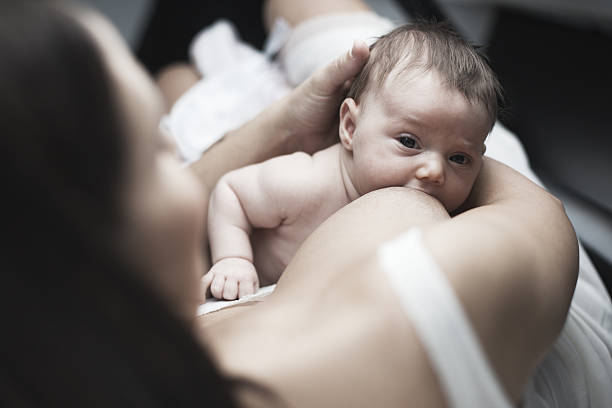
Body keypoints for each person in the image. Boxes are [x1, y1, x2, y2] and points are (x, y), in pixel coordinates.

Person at [0, 0, 598, 407]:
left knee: (180, 77)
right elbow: (538, 227)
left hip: (372, 136)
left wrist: (288, 121)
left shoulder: (69, 353)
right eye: (162, 150)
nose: (196, 170)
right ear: (83, 238)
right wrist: (430, 142)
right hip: (524, 270)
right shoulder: (386, 309)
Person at [204, 22, 501, 300]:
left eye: (459, 158)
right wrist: (233, 259)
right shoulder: (305, 183)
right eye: (409, 142)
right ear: (350, 127)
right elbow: (231, 192)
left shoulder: (443, 218)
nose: (435, 171)